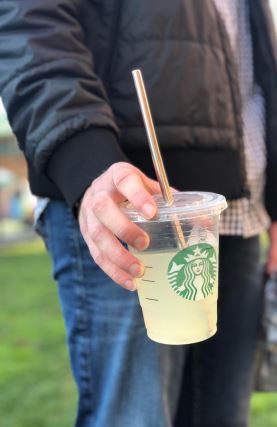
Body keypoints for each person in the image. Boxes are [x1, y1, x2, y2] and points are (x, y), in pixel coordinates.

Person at [0, 1, 276, 426]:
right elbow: (28, 22)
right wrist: (86, 161)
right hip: (124, 206)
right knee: (134, 417)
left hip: (232, 209)